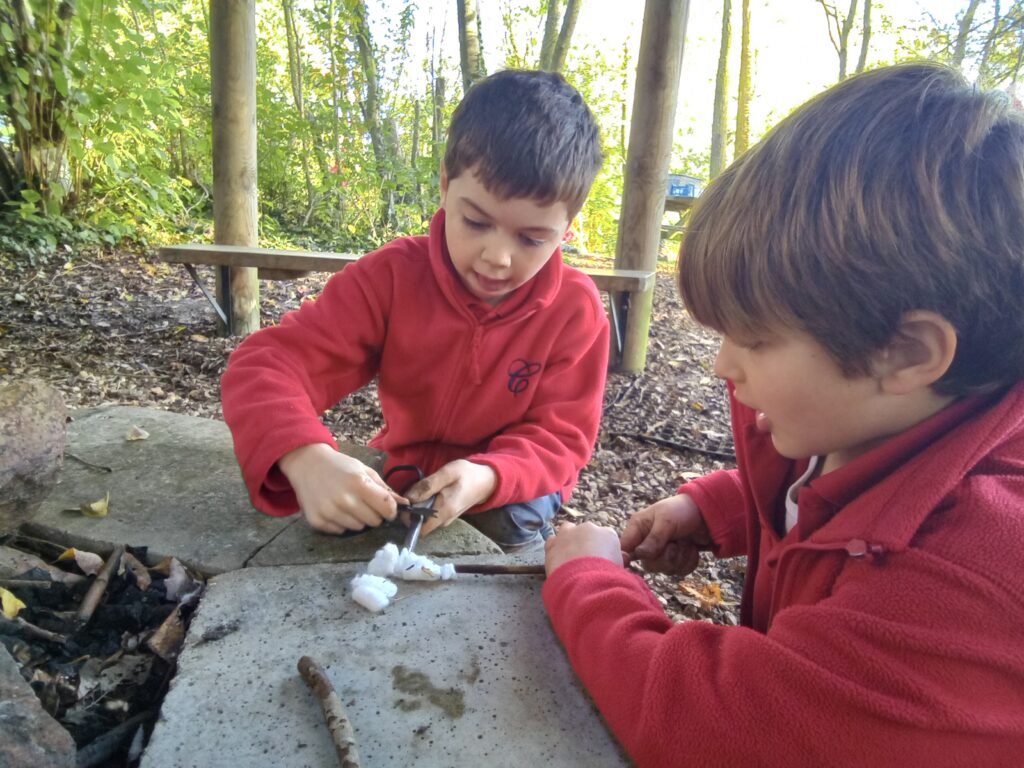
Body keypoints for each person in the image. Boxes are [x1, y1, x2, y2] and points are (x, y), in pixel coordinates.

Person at [542, 62, 1024, 766]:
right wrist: (717, 508)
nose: (722, 366)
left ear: (909, 351)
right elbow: (843, 496)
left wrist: (588, 584)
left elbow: (722, 729)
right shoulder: (887, 418)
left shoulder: (971, 577)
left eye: (757, 338)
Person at [221, 69, 608, 553]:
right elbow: (266, 365)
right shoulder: (392, 277)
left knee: (505, 526)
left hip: (511, 485)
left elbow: (561, 437)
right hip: (405, 469)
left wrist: (489, 474)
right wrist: (305, 456)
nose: (497, 257)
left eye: (532, 239)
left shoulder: (576, 311)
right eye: (475, 222)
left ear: (567, 229)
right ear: (446, 186)